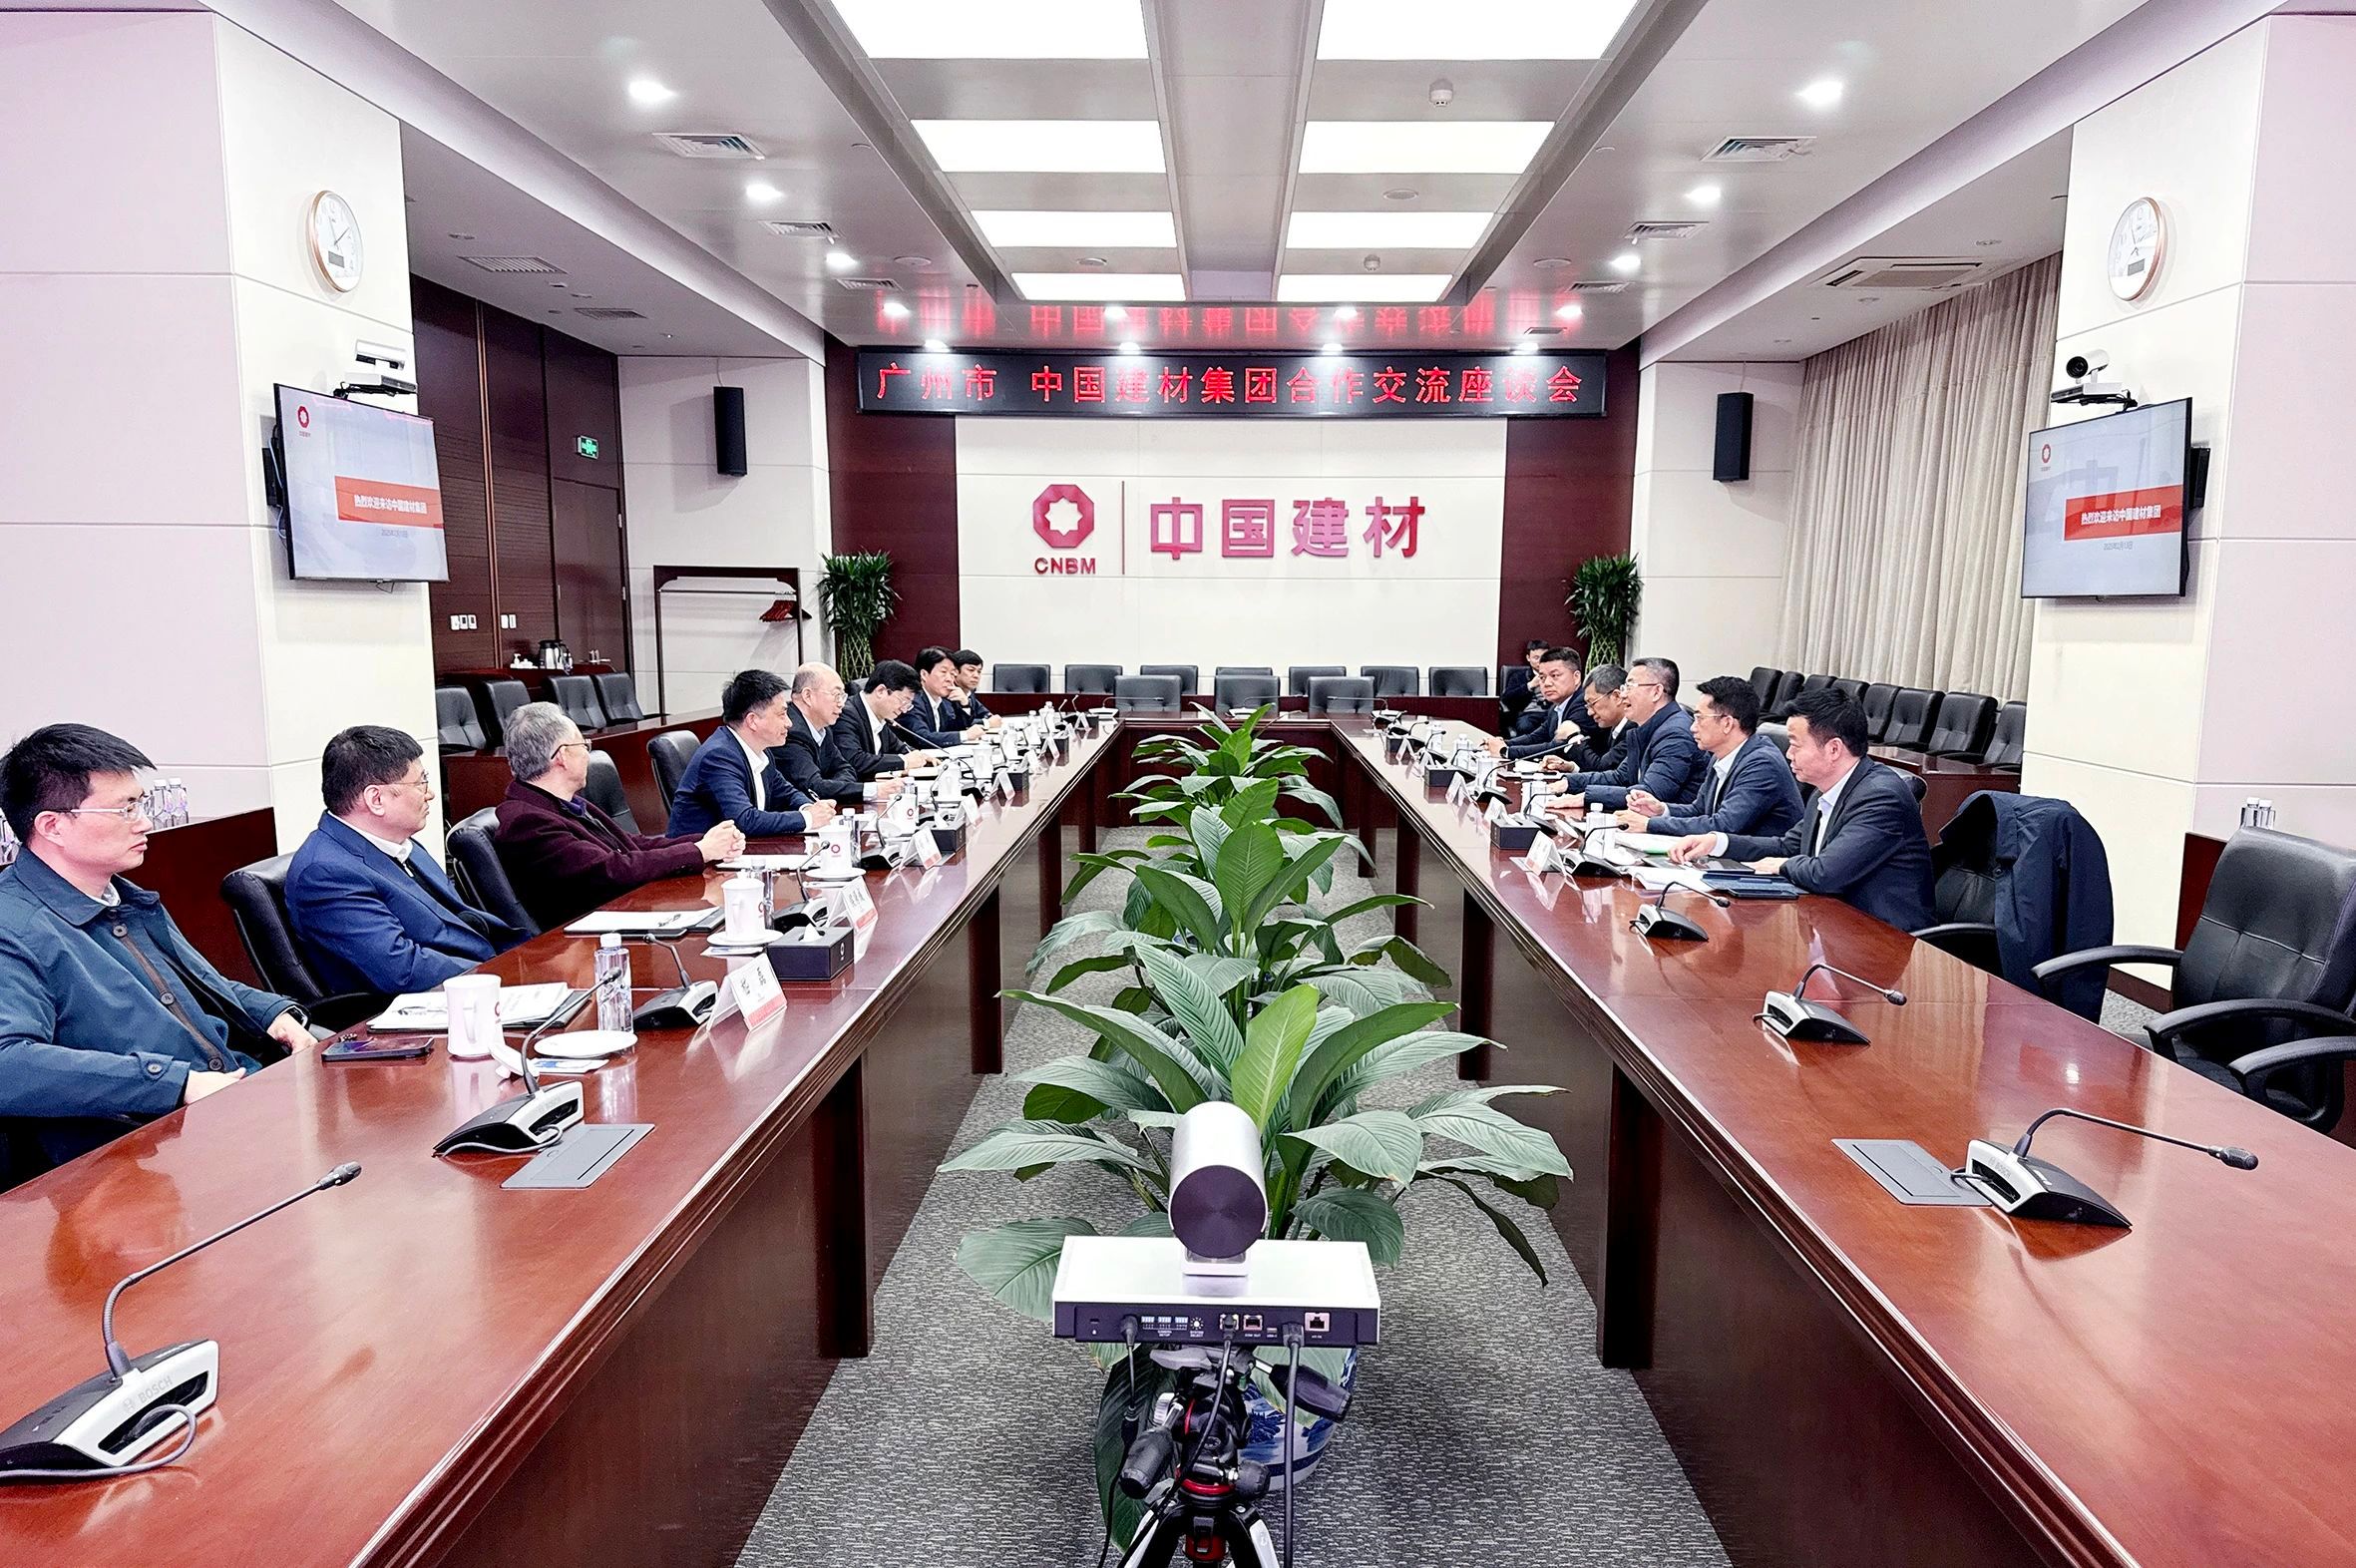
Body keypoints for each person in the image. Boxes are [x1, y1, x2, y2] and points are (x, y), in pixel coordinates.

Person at [0, 724, 310, 1167]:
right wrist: (175, 1083)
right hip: (146, 1153)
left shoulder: (123, 898)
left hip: (232, 1105)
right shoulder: (13, 926)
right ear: (53, 826)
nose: (144, 822)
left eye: (140, 804)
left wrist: (270, 1014)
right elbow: (8, 1065)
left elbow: (198, 986)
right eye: (124, 809)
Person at [1670, 688, 1935, 931]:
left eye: (1795, 745)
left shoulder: (1881, 797)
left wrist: (1782, 865)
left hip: (1885, 938)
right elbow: (1787, 846)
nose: (1788, 754)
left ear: (1833, 749)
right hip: (1833, 924)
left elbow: (1825, 874)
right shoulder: (1826, 789)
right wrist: (1717, 842)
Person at [285, 725, 523, 994]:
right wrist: (498, 975)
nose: (430, 793)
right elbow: (401, 969)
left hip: (480, 975)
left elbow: (457, 921)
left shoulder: (400, 843)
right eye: (421, 783)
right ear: (376, 799)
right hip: (436, 1002)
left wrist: (522, 963)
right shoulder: (325, 874)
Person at [493, 702, 742, 930]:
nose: (587, 754)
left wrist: (706, 843)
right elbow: (611, 870)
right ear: (562, 757)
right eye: (583, 745)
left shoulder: (564, 802)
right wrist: (698, 851)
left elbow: (632, 844)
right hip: (586, 941)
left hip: (621, 914)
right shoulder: (528, 822)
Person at [1610, 676, 1802, 841]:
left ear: (1727, 723)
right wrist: (1661, 810)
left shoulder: (1761, 764)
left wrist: (1649, 824)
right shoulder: (1720, 755)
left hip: (1758, 866)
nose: (1692, 727)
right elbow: (1699, 810)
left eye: (1700, 718)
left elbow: (1723, 825)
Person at [667, 670, 838, 839]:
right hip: (698, 855)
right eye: (781, 715)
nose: (789, 723)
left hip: (738, 849)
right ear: (752, 721)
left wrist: (808, 807)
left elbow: (785, 792)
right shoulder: (719, 757)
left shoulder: (760, 751)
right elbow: (744, 820)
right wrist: (808, 818)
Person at [1549, 657, 1705, 813]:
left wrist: (1586, 796)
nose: (1623, 695)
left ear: (1656, 692)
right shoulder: (1646, 729)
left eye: (1630, 686)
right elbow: (1620, 777)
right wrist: (1569, 782)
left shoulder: (1675, 734)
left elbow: (1650, 794)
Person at [776, 662, 908, 808]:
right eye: (836, 695)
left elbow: (845, 768)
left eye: (842, 696)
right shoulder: (790, 732)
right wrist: (874, 790)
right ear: (808, 696)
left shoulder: (823, 729)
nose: (841, 704)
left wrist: (835, 786)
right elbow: (814, 787)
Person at [834, 659, 940, 779]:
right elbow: (854, 760)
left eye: (908, 705)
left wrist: (922, 757)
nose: (904, 710)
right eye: (903, 701)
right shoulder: (846, 715)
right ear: (881, 691)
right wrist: (904, 761)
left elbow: (899, 748)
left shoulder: (881, 717)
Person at [1482, 647, 1584, 761]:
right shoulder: (1557, 707)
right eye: (1542, 677)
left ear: (1576, 677)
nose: (1547, 683)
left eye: (1555, 675)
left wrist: (1506, 751)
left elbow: (1558, 748)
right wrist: (1502, 743)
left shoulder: (1583, 705)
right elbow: (1536, 737)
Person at [906, 646, 984, 747]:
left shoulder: (940, 700)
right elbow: (923, 737)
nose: (949, 679)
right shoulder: (912, 700)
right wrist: (965, 735)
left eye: (952, 674)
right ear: (924, 674)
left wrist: (964, 705)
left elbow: (953, 729)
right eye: (943, 672)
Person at [1500, 638, 1551, 730]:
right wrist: (1530, 685)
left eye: (1544, 657)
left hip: (1551, 712)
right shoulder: (1519, 676)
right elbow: (1507, 698)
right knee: (1525, 726)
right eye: (1536, 658)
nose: (1540, 661)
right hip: (1528, 713)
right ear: (1528, 658)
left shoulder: (1556, 675)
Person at [949, 649, 996, 730]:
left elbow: (984, 713)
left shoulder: (969, 691)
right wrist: (986, 723)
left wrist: (990, 718)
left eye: (979, 672)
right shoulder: (947, 692)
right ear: (955, 671)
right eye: (971, 670)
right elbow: (953, 724)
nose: (976, 676)